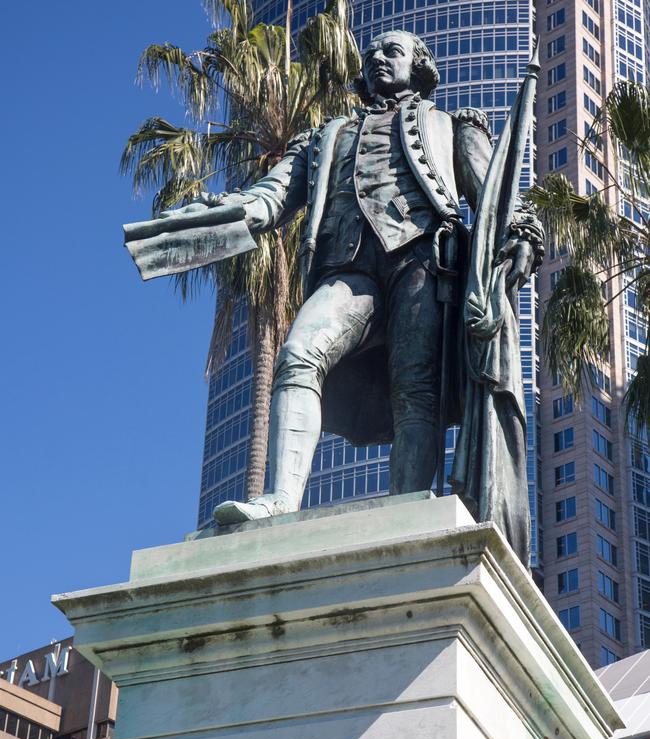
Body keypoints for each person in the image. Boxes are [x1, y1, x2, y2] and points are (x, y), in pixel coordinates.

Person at [163, 30, 543, 563]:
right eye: (372, 54)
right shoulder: (326, 137)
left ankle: (406, 507)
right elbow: (270, 198)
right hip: (350, 267)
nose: (378, 59)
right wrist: (215, 217)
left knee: (417, 393)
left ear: (420, 65)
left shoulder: (453, 127)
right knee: (298, 355)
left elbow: (497, 200)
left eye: (393, 51)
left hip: (424, 262)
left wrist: (522, 238)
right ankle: (278, 499)